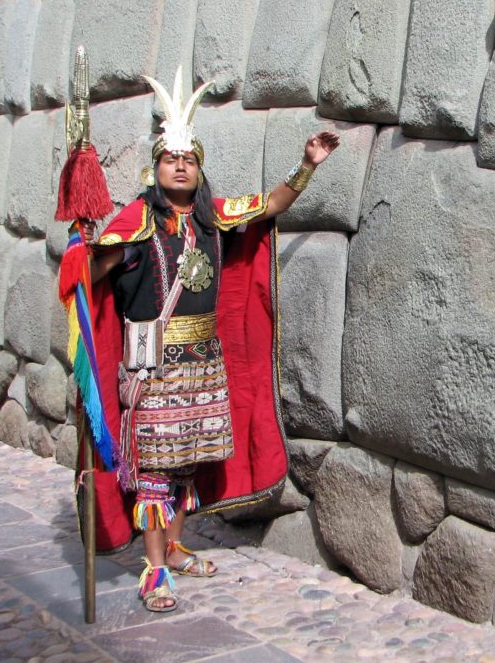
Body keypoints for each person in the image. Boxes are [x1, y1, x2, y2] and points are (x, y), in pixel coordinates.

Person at [82, 70, 339, 611]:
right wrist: (84, 250)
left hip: (203, 362)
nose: (181, 165)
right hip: (152, 367)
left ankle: (174, 546)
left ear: (199, 169)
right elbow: (93, 275)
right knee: (154, 469)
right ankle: (153, 570)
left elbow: (269, 206)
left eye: (190, 159)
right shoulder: (135, 221)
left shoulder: (213, 219)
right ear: (156, 169)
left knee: (188, 462)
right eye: (171, 158)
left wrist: (306, 165)